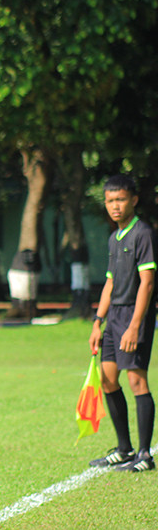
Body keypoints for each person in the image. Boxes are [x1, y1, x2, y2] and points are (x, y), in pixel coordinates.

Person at [88, 174, 156, 472]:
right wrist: (97, 321)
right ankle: (125, 449)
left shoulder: (143, 234)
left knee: (136, 380)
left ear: (134, 200)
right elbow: (110, 283)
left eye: (121, 199)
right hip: (113, 316)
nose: (115, 206)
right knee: (107, 378)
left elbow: (148, 283)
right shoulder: (113, 238)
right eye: (110, 201)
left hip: (134, 315)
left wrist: (135, 325)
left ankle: (144, 455)